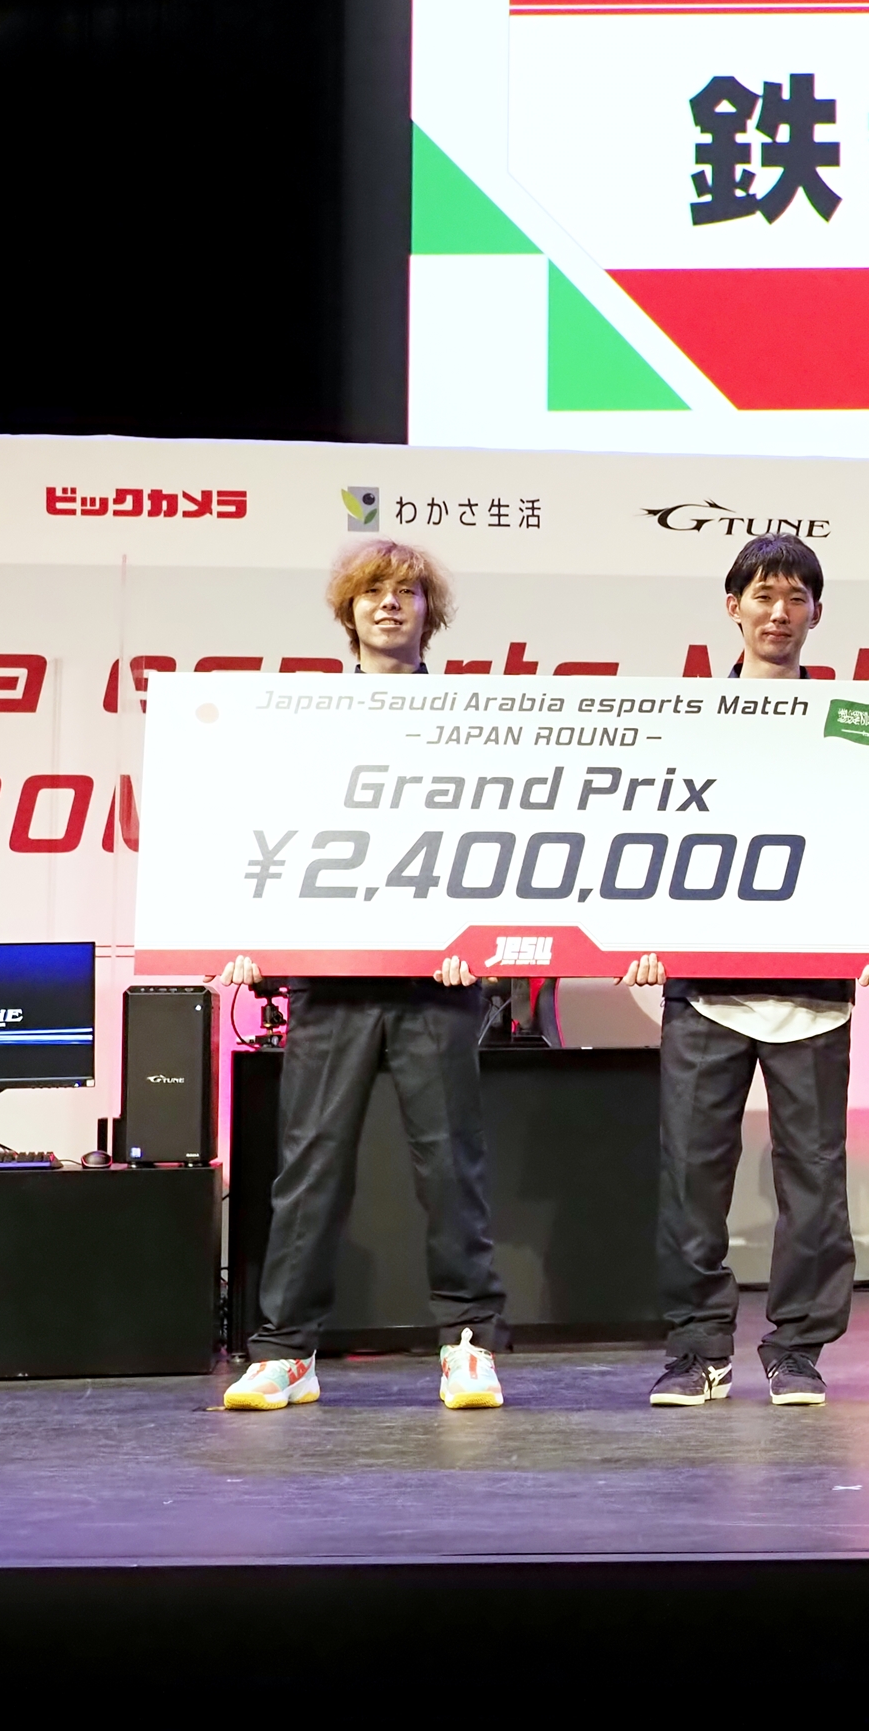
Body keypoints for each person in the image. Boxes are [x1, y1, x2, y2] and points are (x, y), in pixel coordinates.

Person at [220, 539, 508, 1411]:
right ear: (348, 613)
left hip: (438, 981)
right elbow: (266, 831)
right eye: (372, 592)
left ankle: (467, 1344)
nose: (389, 604)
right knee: (310, 1166)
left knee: (450, 1166)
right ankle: (286, 1352)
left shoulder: (468, 721)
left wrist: (478, 939)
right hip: (331, 974)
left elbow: (497, 838)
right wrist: (250, 938)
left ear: (429, 612)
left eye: (406, 592)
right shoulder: (305, 719)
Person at [627, 533, 869, 1408]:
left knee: (815, 1185)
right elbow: (655, 834)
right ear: (732, 608)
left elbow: (865, 842)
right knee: (690, 1177)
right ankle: (696, 1348)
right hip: (704, 991)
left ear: (817, 613)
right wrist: (641, 934)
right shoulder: (690, 718)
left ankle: (797, 1349)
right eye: (762, 596)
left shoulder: (853, 722)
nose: (778, 613)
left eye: (795, 598)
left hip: (813, 997)